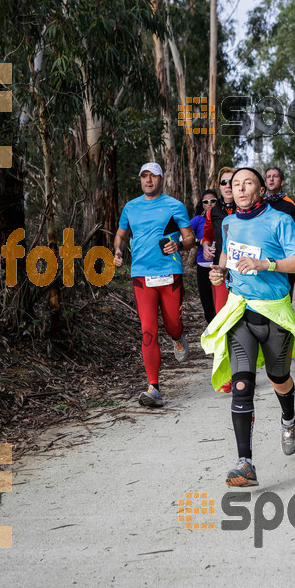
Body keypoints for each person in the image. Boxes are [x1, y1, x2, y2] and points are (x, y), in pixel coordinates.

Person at [201, 167, 295, 487]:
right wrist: (218, 272)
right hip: (241, 310)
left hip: (274, 312)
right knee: (242, 384)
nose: (241, 188)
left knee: (279, 378)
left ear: (261, 189)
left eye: (248, 183)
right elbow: (225, 255)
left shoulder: (280, 220)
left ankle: (288, 419)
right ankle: (244, 462)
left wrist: (266, 264)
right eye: (236, 184)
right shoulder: (230, 223)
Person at [113, 162, 195, 407]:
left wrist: (179, 245)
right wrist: (117, 250)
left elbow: (190, 238)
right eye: (144, 176)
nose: (148, 181)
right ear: (140, 180)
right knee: (148, 330)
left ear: (162, 179)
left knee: (171, 324)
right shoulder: (131, 207)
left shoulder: (174, 205)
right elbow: (121, 234)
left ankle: (177, 336)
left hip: (169, 272)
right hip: (141, 275)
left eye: (153, 176)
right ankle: (153, 388)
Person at [201, 166, 237, 394]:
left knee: (243, 322)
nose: (226, 186)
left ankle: (244, 370)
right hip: (221, 273)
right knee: (223, 321)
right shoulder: (213, 211)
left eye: (231, 182)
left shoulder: (250, 209)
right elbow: (207, 234)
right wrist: (205, 244)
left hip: (246, 271)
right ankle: (226, 374)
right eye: (223, 182)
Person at [264, 166, 295, 300]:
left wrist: (284, 238)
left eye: (275, 176)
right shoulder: (259, 203)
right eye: (268, 177)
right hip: (262, 259)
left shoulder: (290, 204)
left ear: (282, 182)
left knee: (285, 299)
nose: (271, 179)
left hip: (286, 261)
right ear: (265, 182)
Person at [190, 189, 217, 324]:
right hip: (203, 266)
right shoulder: (198, 220)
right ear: (202, 204)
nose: (210, 204)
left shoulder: (223, 217)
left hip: (221, 267)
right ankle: (212, 331)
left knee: (220, 302)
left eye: (213, 201)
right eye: (206, 202)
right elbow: (184, 236)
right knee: (207, 303)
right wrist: (199, 242)